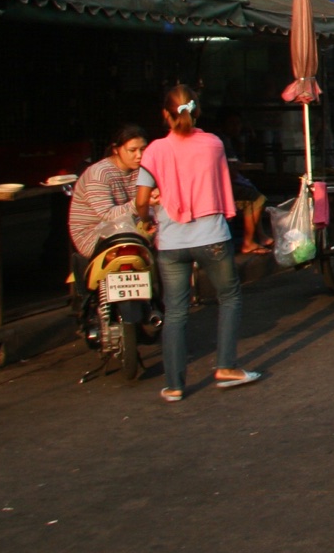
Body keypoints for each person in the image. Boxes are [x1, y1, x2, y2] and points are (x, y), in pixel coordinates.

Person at [139, 85, 260, 403]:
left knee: (176, 311)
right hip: (213, 236)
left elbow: (141, 199)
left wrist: (147, 217)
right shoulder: (214, 144)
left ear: (165, 115)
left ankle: (175, 385)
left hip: (171, 241)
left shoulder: (154, 151)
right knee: (229, 298)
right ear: (197, 111)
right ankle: (226, 367)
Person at [70, 124, 147, 259]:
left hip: (129, 227)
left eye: (143, 149)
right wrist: (141, 202)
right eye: (132, 150)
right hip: (94, 235)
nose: (139, 155)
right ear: (116, 149)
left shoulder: (142, 170)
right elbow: (108, 215)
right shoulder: (99, 174)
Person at [219, 112, 267, 256]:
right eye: (232, 124)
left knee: (253, 194)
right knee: (257, 198)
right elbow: (232, 169)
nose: (236, 127)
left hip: (228, 183)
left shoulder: (231, 140)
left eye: (238, 124)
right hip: (223, 186)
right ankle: (248, 241)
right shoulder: (219, 141)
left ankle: (260, 235)